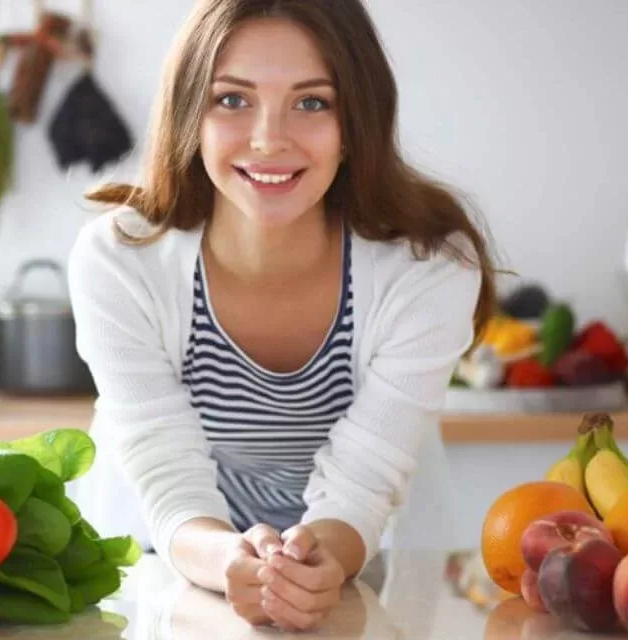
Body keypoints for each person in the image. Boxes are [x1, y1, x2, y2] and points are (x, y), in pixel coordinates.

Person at [65, 0, 497, 632]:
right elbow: (164, 466)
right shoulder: (120, 259)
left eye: (312, 102)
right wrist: (227, 558)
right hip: (164, 566)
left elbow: (365, 479)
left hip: (370, 563)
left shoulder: (429, 267)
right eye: (232, 100)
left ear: (357, 122)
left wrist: (313, 562)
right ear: (191, 114)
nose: (269, 138)